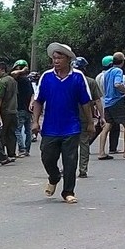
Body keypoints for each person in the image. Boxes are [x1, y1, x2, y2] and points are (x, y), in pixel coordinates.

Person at [32, 43, 93, 204]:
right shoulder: (46, 77)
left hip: (71, 126)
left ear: (68, 59)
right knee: (47, 156)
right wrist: (35, 122)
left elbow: (86, 102)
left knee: (70, 160)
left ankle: (68, 191)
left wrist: (90, 122)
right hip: (50, 127)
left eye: (59, 58)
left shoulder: (77, 77)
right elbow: (38, 100)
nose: (56, 61)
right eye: (54, 58)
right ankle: (54, 176)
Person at [97, 52, 125, 160]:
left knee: (107, 126)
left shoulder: (106, 73)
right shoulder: (118, 71)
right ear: (122, 62)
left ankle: (101, 152)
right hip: (117, 101)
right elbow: (117, 84)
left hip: (107, 102)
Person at [72, 56, 102, 178]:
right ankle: (83, 169)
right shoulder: (90, 82)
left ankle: (68, 167)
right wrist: (102, 116)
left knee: (70, 144)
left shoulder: (69, 80)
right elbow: (98, 100)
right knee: (84, 143)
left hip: (70, 116)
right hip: (85, 116)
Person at [0, 61, 19, 159]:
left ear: (2, 70)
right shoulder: (12, 80)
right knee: (11, 133)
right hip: (13, 110)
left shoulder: (1, 82)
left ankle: (0, 155)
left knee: (1, 133)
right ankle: (11, 152)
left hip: (5, 111)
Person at [10, 59, 34, 157]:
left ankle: (22, 149)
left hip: (20, 108)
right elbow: (33, 94)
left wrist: (21, 70)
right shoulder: (27, 80)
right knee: (28, 130)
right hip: (28, 109)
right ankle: (27, 149)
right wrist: (31, 104)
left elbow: (12, 73)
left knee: (17, 130)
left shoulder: (18, 80)